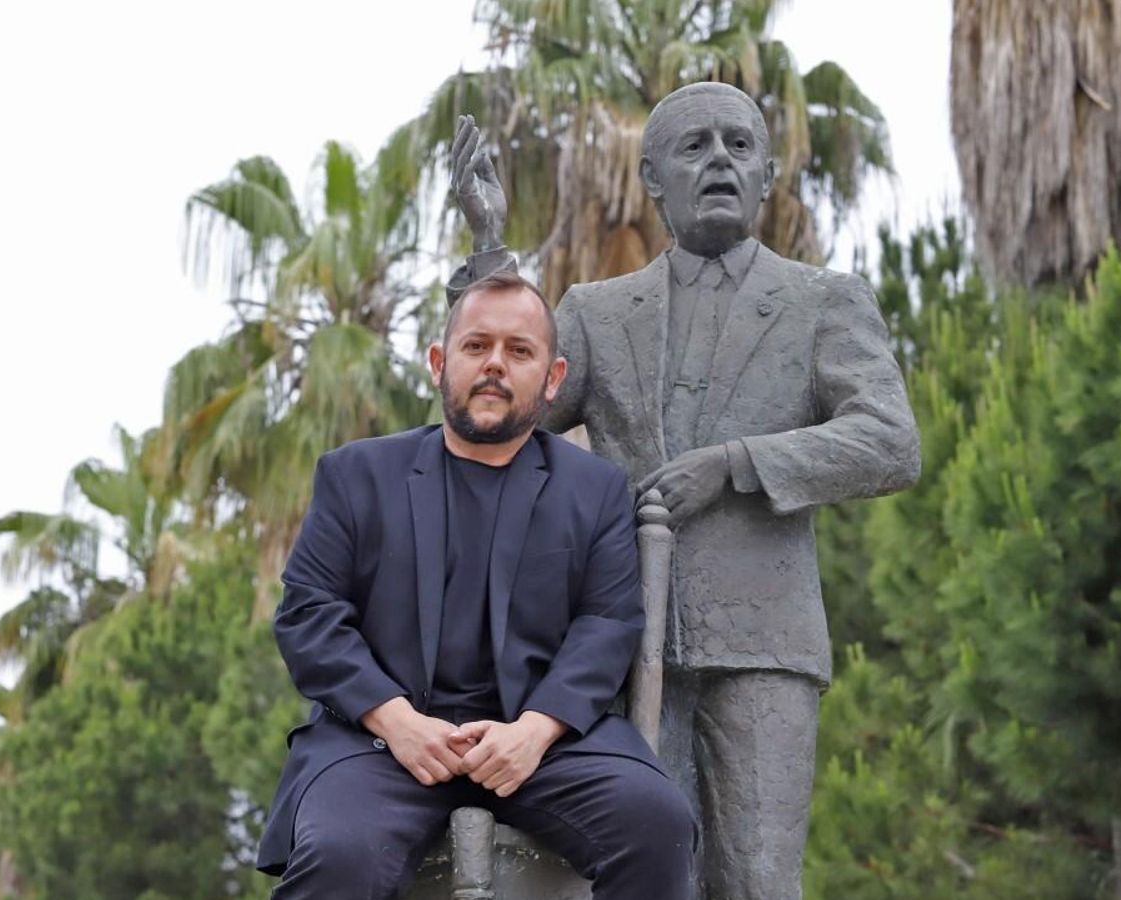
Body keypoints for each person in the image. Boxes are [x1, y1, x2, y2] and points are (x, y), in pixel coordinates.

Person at [447, 82, 921, 900]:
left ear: (767, 173)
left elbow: (890, 443)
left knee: (757, 881)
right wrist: (490, 255)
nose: (719, 162)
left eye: (740, 145)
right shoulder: (596, 312)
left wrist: (738, 462)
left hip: (763, 644)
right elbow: (491, 420)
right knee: (642, 874)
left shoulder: (822, 301)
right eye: (694, 147)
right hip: (624, 644)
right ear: (652, 178)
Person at [256, 270, 698, 899]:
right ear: (439, 363)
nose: (495, 364)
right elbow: (309, 615)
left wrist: (535, 730)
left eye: (519, 350)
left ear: (553, 378)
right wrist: (396, 721)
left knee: (657, 824)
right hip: (379, 743)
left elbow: (607, 624)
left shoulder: (595, 489)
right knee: (339, 855)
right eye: (476, 345)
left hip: (542, 746)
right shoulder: (356, 475)